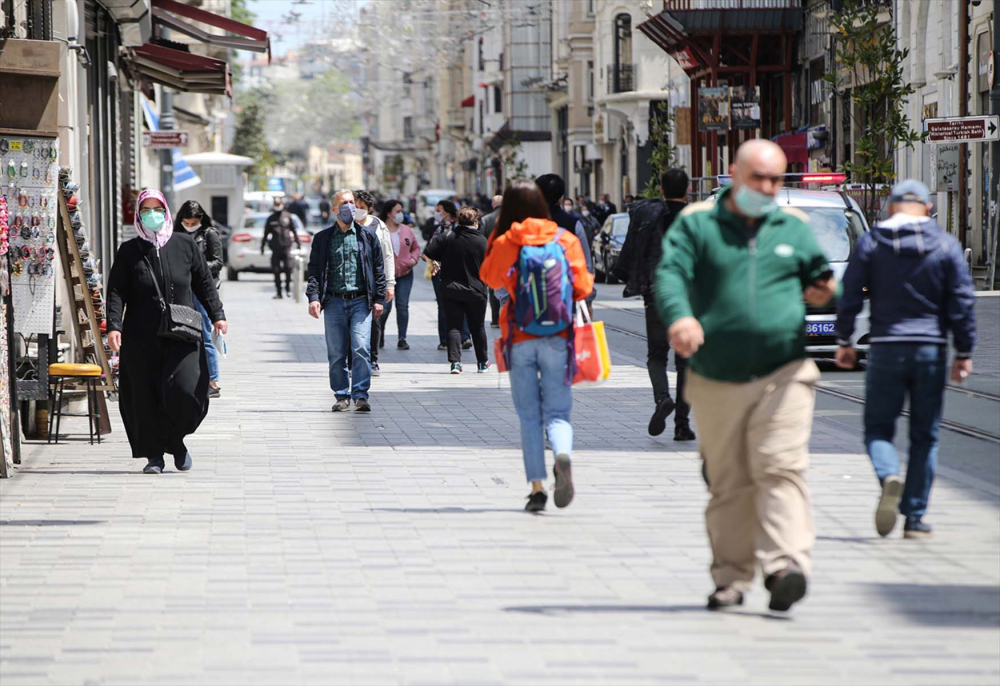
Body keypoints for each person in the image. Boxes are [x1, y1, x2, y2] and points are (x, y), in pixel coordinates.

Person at [655, 140, 836, 613]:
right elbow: (671, 273)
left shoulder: (792, 227)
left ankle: (784, 567)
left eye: (776, 179)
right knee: (730, 480)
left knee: (780, 467)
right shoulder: (698, 224)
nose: (768, 188)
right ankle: (731, 578)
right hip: (716, 374)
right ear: (733, 174)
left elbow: (820, 279)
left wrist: (825, 294)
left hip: (786, 371)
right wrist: (680, 317)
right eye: (759, 178)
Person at [834, 180, 976, 540]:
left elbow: (850, 293)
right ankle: (914, 518)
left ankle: (888, 475)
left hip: (885, 348)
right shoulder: (946, 245)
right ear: (928, 209)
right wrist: (964, 351)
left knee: (878, 429)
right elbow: (961, 301)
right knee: (925, 436)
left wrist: (844, 339)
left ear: (892, 208)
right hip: (930, 350)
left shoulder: (872, 243)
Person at [481, 180, 594, 512]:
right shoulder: (564, 238)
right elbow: (584, 285)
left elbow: (489, 278)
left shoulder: (507, 239)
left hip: (520, 337)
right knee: (558, 413)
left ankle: (536, 489)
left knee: (529, 417)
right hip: (558, 337)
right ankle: (562, 454)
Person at [106, 189, 227, 474]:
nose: (152, 215)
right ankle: (154, 456)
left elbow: (204, 283)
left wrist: (218, 316)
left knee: (186, 390)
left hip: (181, 333)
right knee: (145, 395)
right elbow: (116, 292)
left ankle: (176, 440)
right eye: (145, 210)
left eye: (156, 209)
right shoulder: (129, 251)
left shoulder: (185, 245)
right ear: (138, 215)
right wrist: (114, 325)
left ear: (166, 211)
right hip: (141, 336)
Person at [613, 169, 695, 441]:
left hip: (657, 294)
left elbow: (631, 252)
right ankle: (682, 425)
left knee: (656, 355)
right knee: (686, 362)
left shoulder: (648, 216)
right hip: (688, 297)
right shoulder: (697, 219)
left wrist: (623, 273)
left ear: (661, 189)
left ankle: (662, 398)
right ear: (687, 190)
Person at [306, 190, 386, 413]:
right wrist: (314, 298)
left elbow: (378, 268)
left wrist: (379, 298)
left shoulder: (367, 236)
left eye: (352, 203)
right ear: (333, 209)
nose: (350, 207)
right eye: (344, 203)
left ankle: (360, 395)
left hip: (361, 301)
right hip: (333, 302)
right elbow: (314, 270)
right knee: (336, 352)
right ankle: (341, 395)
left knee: (361, 347)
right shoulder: (323, 239)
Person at [425, 206, 490, 374]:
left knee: (454, 326)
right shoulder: (483, 241)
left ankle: (455, 363)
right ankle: (482, 363)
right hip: (477, 290)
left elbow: (428, 252)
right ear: (475, 222)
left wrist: (436, 263)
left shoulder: (447, 237)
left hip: (451, 289)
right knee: (478, 327)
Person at [174, 200, 224, 399]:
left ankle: (213, 381)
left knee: (205, 335)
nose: (190, 224)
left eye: (194, 221)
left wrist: (197, 268)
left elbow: (218, 262)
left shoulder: (209, 234)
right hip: (182, 289)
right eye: (186, 221)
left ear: (201, 219)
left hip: (202, 289)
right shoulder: (175, 234)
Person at [535, 174, 596, 309]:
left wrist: (505, 300)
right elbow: (585, 264)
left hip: (531, 301)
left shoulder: (524, 224)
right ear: (561, 197)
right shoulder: (573, 224)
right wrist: (588, 300)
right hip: (567, 299)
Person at [354, 190, 396, 377]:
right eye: (355, 207)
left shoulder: (378, 226)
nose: (357, 210)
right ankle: (352, 360)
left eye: (361, 208)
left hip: (375, 280)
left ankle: (373, 360)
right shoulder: (346, 224)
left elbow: (387, 255)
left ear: (370, 209)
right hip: (353, 281)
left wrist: (390, 283)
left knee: (375, 321)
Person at [425, 200, 472, 350]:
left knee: (454, 304)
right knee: (446, 305)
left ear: (446, 211)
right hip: (443, 271)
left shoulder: (456, 228)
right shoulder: (438, 228)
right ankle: (448, 339)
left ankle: (459, 338)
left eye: (438, 210)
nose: (436, 213)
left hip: (452, 270)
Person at [378, 199, 421, 350]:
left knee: (402, 306)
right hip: (385, 276)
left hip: (405, 274)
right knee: (385, 307)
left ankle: (402, 338)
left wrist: (413, 259)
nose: (401, 214)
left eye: (401, 211)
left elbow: (416, 247)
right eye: (397, 211)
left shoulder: (406, 230)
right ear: (389, 213)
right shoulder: (380, 229)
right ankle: (379, 334)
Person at [262, 197, 301, 299]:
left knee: (288, 268)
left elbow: (294, 230)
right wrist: (262, 246)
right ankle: (279, 292)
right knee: (276, 270)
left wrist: (298, 242)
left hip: (286, 247)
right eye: (276, 204)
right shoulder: (271, 218)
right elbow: (265, 234)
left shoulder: (288, 216)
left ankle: (288, 289)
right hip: (275, 248)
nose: (278, 206)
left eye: (279, 204)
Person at [479, 195, 504, 327]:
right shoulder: (512, 218)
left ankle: (495, 318)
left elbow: (482, 240)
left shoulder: (486, 219)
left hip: (492, 258)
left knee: (494, 288)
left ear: (493, 205)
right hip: (509, 257)